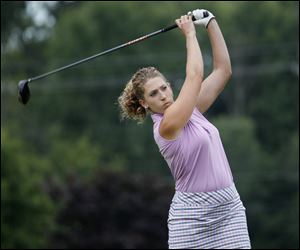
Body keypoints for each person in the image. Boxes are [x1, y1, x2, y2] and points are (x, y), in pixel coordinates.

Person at [118, 9, 251, 249]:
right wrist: (190, 34)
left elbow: (223, 71)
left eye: (164, 88)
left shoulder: (191, 109)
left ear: (169, 86)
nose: (163, 95)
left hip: (229, 208)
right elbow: (195, 75)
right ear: (145, 103)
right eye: (153, 94)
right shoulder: (167, 126)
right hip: (193, 217)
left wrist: (210, 22)